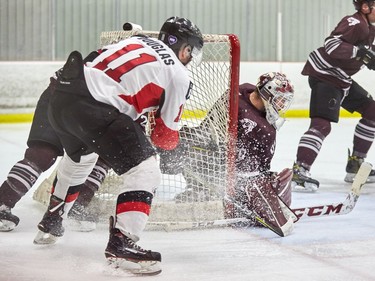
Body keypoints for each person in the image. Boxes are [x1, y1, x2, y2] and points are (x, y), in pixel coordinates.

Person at [33, 16, 203, 275]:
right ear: (186, 49)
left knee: (81, 159)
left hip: (61, 93)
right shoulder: (179, 74)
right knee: (146, 171)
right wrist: (175, 148)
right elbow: (164, 138)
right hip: (96, 108)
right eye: (192, 52)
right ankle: (122, 243)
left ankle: (53, 220)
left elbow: (96, 60)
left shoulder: (137, 40)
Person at [160, 72, 297, 236]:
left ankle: (208, 191)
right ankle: (198, 188)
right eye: (280, 99)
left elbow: (255, 171)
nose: (281, 105)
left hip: (233, 170)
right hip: (214, 149)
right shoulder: (241, 92)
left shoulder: (264, 127)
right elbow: (210, 125)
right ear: (267, 93)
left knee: (217, 157)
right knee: (186, 138)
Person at [0, 64, 110, 233]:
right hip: (67, 95)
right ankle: (3, 203)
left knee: (46, 154)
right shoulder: (150, 69)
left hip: (74, 95)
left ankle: (75, 206)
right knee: (44, 153)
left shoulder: (126, 56)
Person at [291, 0, 375, 192]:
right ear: (365, 7)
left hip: (341, 79)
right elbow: (331, 44)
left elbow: (367, 53)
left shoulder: (369, 28)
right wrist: (360, 53)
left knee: (372, 110)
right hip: (325, 75)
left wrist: (368, 56)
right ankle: (300, 170)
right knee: (322, 124)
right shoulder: (355, 22)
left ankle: (355, 164)